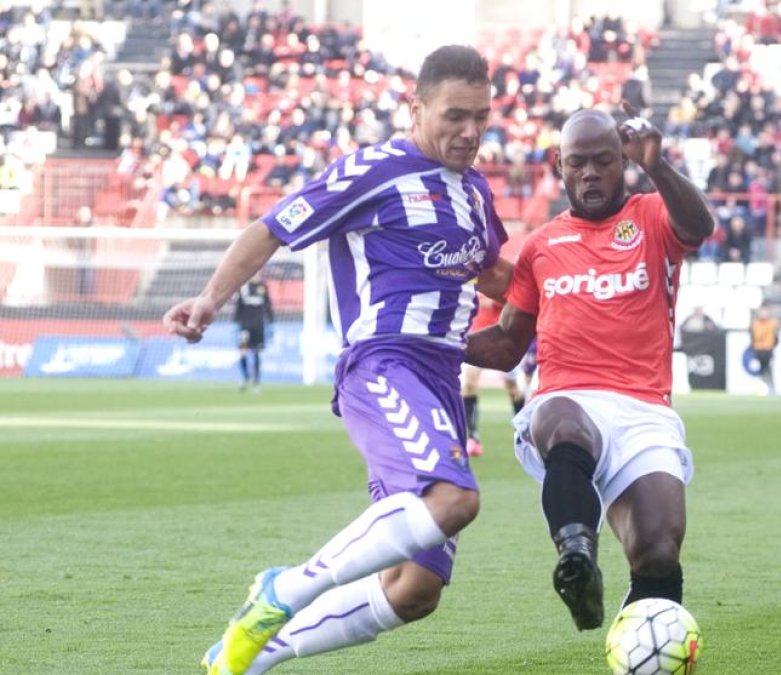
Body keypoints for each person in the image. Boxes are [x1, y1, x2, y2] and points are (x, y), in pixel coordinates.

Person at [164, 46, 512, 675]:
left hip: (438, 380)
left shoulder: (475, 192)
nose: (471, 132)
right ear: (417, 108)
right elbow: (271, 228)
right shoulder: (373, 172)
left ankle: (246, 656)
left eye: (481, 117)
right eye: (455, 116)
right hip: (385, 365)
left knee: (416, 590)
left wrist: (564, 291)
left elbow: (489, 271)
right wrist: (211, 300)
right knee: (455, 501)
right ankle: (284, 592)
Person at [463, 102, 714, 631]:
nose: (591, 172)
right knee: (555, 417)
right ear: (559, 163)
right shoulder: (542, 246)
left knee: (658, 550)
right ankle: (577, 559)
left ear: (623, 159)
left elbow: (700, 225)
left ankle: (644, 643)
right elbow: (510, 342)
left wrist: (659, 166)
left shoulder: (651, 214)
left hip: (644, 407)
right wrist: (439, 345)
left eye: (604, 160)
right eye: (578, 162)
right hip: (568, 397)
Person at [461, 295, 525, 457]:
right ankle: (473, 438)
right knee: (469, 385)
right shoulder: (471, 276)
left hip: (501, 338)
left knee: (512, 389)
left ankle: (523, 432)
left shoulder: (497, 273)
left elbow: (512, 299)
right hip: (475, 335)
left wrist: (495, 299)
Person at [234, 271, 274, 393]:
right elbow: (238, 306)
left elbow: (268, 305)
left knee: (256, 353)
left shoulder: (263, 287)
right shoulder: (243, 287)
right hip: (245, 326)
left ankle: (256, 382)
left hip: (259, 326)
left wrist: (270, 321)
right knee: (243, 352)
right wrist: (237, 323)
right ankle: (245, 377)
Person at [750, 305, 780, 395]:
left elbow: (776, 337)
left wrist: (772, 346)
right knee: (762, 370)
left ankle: (772, 389)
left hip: (768, 350)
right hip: (758, 350)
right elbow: (752, 337)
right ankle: (763, 388)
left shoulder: (773, 323)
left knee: (768, 370)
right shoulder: (755, 323)